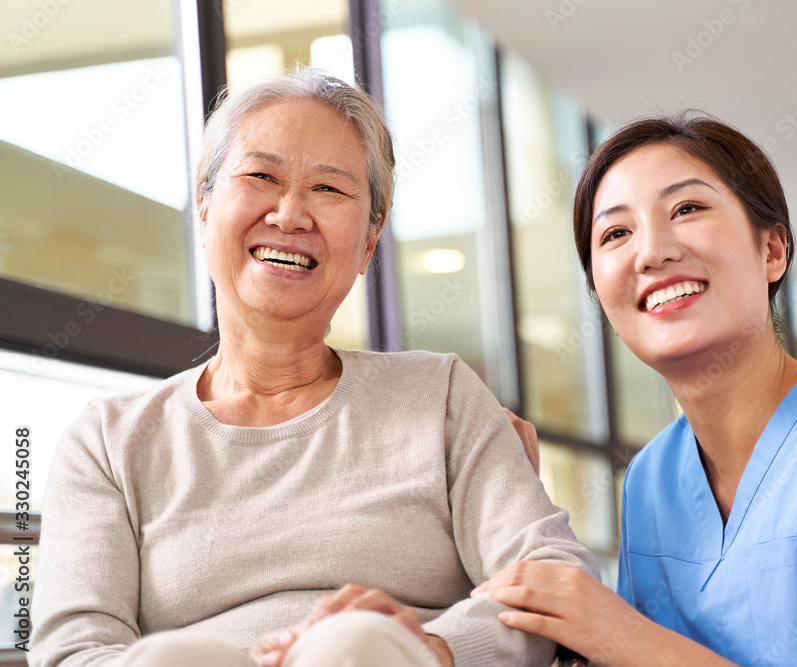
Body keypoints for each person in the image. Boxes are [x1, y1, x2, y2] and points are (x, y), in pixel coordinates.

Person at [29, 68, 598, 667]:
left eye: (329, 189)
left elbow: (552, 573)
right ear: (204, 208)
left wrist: (432, 646)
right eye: (260, 176)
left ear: (369, 241)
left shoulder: (441, 395)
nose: (291, 213)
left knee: (355, 642)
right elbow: (74, 650)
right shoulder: (110, 441)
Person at [472, 114, 797, 666]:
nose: (651, 252)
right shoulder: (652, 479)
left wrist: (627, 637)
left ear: (772, 251)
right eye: (616, 234)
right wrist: (508, 506)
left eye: (687, 209)